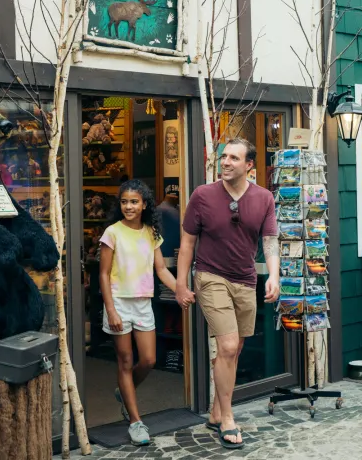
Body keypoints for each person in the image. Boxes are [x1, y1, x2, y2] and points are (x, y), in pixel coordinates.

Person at [176, 138, 280, 450]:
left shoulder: (263, 198)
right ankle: (228, 417)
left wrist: (273, 275)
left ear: (249, 165)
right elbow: (187, 244)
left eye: (234, 158)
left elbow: (270, 240)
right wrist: (182, 284)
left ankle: (215, 412)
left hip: (246, 280)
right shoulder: (203, 196)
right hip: (210, 276)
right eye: (224, 157)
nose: (225, 162)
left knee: (234, 350)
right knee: (228, 344)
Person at [99, 179, 190, 446]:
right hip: (118, 302)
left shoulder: (151, 232)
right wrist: (111, 310)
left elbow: (161, 270)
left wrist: (180, 290)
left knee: (149, 359)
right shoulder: (112, 233)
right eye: (125, 201)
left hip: (142, 304)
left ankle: (124, 392)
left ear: (144, 204)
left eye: (134, 202)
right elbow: (103, 274)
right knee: (125, 361)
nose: (129, 206)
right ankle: (135, 421)